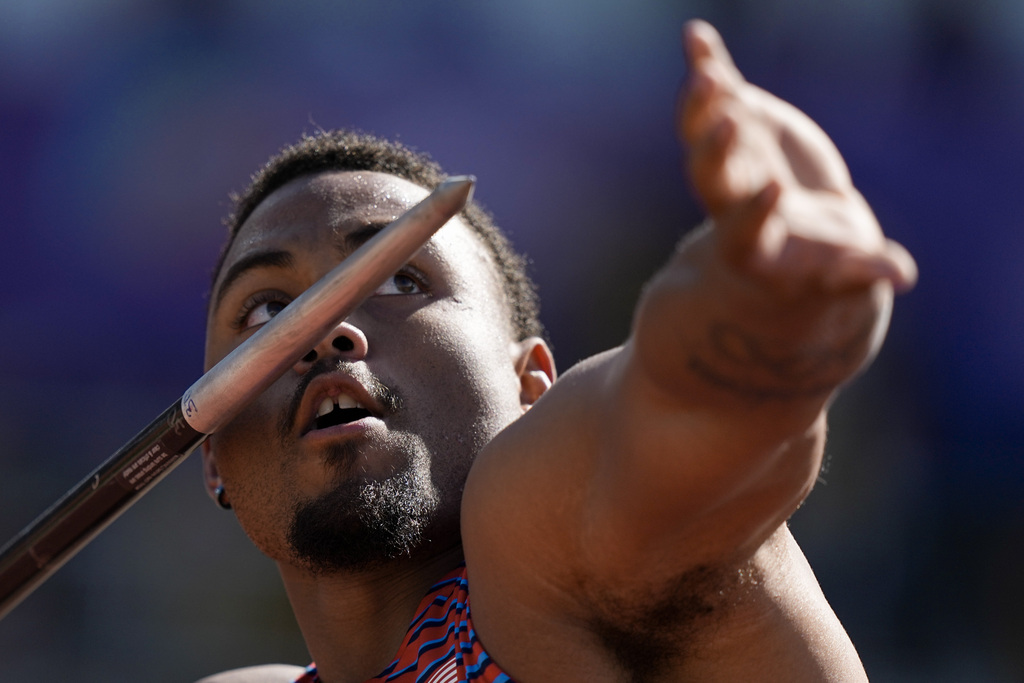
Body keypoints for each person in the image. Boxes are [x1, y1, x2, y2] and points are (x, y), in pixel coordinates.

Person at [196, 19, 917, 683]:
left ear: (532, 383)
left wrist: (765, 314)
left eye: (398, 279)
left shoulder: (543, 561)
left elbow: (669, 432)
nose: (325, 329)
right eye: (266, 308)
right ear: (211, 454)